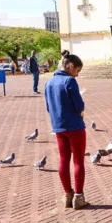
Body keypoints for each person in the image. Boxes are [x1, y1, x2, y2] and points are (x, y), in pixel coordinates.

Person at [45, 50, 89, 210]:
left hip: (59, 126)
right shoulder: (69, 81)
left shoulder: (48, 83)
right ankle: (78, 197)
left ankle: (67, 195)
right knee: (78, 161)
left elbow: (49, 107)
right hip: (75, 126)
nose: (77, 75)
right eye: (77, 71)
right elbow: (80, 105)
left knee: (63, 160)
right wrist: (79, 112)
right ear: (70, 66)